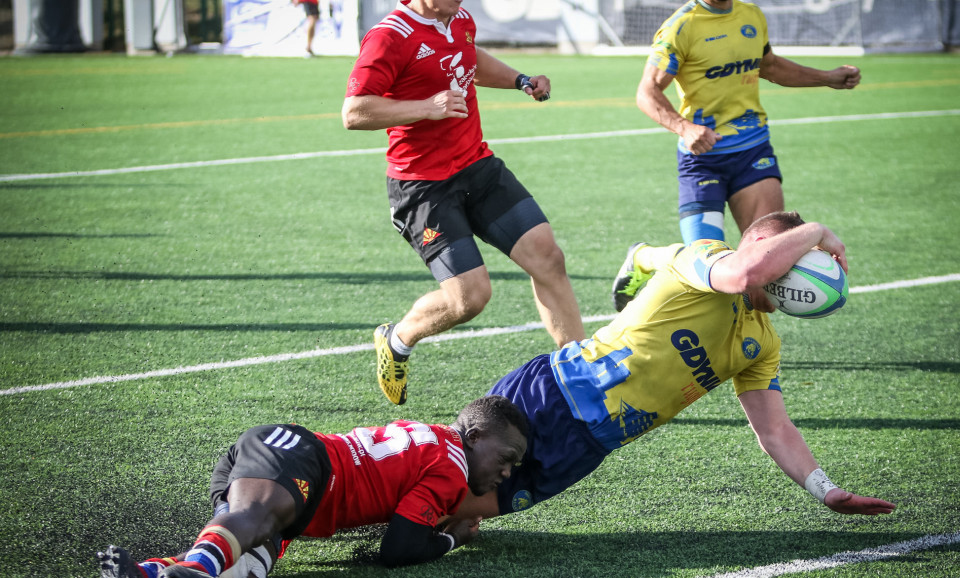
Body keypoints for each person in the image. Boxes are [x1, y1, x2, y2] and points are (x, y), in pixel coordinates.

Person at [452, 211, 896, 520]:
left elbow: (775, 430)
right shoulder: (703, 258)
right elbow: (743, 275)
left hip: (590, 444)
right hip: (553, 389)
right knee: (447, 474)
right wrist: (816, 229)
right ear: (761, 246)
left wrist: (826, 490)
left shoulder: (761, 343)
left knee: (469, 511)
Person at [97, 395, 528, 578]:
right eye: (505, 458)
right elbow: (398, 549)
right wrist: (453, 537)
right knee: (254, 521)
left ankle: (139, 577)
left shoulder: (438, 441)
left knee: (246, 573)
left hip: (296, 476)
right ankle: (195, 567)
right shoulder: (452, 465)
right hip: (305, 459)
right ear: (473, 436)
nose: (507, 473)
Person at [342, 0, 585, 406]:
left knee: (547, 256)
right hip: (423, 188)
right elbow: (354, 111)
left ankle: (579, 375)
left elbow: (469, 59)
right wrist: (427, 108)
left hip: (477, 166)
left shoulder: (457, 17)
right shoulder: (389, 36)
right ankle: (398, 338)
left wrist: (518, 79)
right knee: (469, 298)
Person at [635, 0, 861, 246]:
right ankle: (642, 259)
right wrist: (684, 128)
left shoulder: (751, 15)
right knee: (706, 267)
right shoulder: (680, 27)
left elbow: (771, 67)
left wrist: (826, 77)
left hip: (753, 152)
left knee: (768, 254)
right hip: (704, 159)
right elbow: (647, 91)